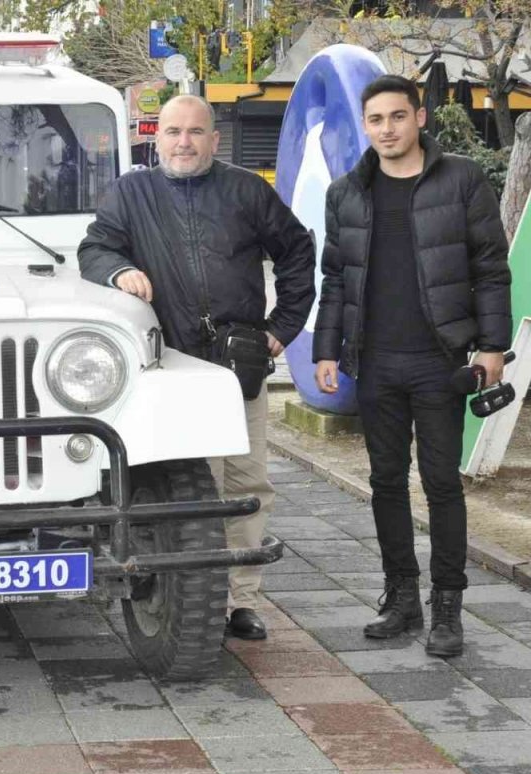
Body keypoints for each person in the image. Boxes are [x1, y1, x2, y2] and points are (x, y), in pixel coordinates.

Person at [78, 94, 315, 640]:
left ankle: (241, 601)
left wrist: (281, 328)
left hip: (238, 366)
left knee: (246, 481)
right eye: (173, 131)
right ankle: (193, 596)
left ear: (214, 139)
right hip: (170, 366)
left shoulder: (248, 191)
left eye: (196, 132)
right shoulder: (130, 193)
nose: (184, 142)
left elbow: (299, 251)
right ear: (155, 138)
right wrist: (118, 271)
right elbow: (94, 248)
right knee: (190, 487)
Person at [314, 75, 512, 658]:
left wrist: (492, 345)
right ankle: (403, 597)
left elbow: (489, 268)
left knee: (443, 483)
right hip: (374, 362)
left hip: (441, 360)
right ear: (366, 125)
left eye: (397, 117)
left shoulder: (461, 180)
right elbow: (335, 279)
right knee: (383, 482)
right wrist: (327, 349)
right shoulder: (347, 193)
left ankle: (448, 606)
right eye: (376, 120)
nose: (387, 129)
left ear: (419, 118)